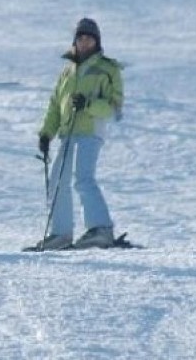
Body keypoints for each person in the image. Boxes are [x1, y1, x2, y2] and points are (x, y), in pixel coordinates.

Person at [33, 18, 124, 250]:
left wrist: (88, 104)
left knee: (83, 178)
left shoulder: (107, 68)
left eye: (89, 38)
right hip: (67, 132)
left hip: (90, 131)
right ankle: (61, 233)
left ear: (97, 41)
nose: (85, 42)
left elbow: (114, 108)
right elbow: (55, 105)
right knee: (57, 181)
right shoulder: (67, 72)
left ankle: (101, 228)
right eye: (81, 38)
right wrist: (46, 134)